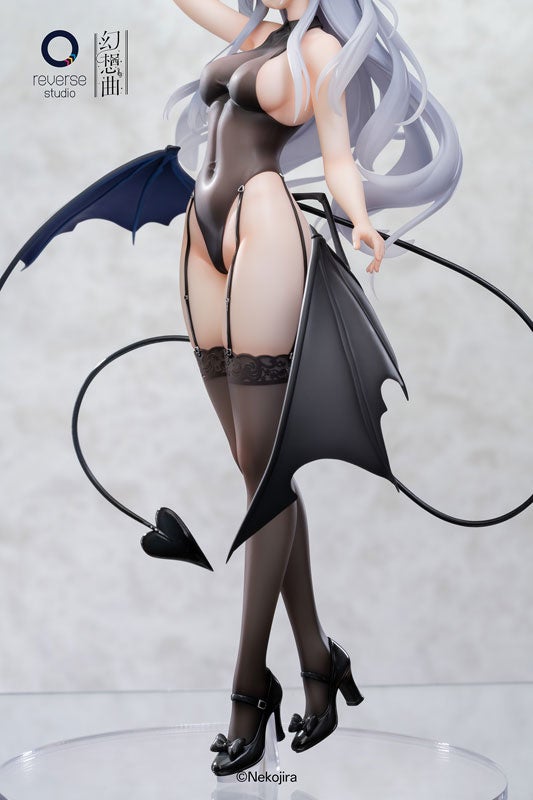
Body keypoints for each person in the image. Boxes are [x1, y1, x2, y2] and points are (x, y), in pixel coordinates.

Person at [167, 0, 462, 777]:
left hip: (264, 226)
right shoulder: (255, 33)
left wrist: (358, 219)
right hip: (199, 232)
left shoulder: (325, 50)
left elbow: (336, 158)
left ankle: (248, 689)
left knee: (265, 472)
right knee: (256, 467)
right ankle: (317, 657)